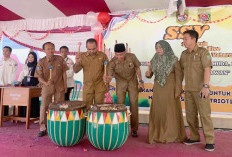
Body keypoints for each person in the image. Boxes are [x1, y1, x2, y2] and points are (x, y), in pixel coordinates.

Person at [146, 40, 187, 143]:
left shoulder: (174, 59)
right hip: (158, 89)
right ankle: (157, 135)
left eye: (160, 47)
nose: (158, 50)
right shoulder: (154, 59)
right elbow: (149, 75)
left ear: (166, 48)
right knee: (158, 111)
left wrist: (178, 90)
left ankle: (170, 135)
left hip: (170, 89)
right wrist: (148, 69)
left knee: (170, 111)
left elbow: (179, 76)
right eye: (156, 48)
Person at [180, 30, 215, 151]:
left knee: (205, 115)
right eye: (183, 39)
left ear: (193, 40)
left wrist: (206, 86)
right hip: (188, 90)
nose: (183, 41)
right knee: (190, 115)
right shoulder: (183, 54)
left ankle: (210, 141)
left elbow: (207, 69)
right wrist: (179, 86)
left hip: (201, 90)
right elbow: (180, 71)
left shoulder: (203, 52)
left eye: (185, 38)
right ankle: (194, 137)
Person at [107, 43, 144, 137]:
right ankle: (121, 127)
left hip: (132, 82)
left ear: (125, 52)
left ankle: (134, 129)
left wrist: (141, 81)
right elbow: (110, 75)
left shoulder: (132, 57)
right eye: (117, 55)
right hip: (120, 84)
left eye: (121, 54)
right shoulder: (112, 62)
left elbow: (138, 68)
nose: (119, 57)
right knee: (120, 106)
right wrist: (107, 79)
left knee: (134, 105)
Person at [35, 42, 68, 137]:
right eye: (48, 49)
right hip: (46, 87)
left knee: (60, 107)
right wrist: (45, 83)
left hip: (59, 86)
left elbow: (64, 74)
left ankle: (59, 126)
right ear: (44, 50)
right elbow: (39, 77)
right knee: (44, 106)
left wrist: (65, 86)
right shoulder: (41, 62)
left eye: (52, 48)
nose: (51, 50)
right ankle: (43, 127)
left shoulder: (60, 59)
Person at [73, 38, 108, 109]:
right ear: (86, 48)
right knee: (86, 109)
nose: (91, 51)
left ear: (97, 47)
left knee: (99, 108)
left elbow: (108, 70)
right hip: (88, 87)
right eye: (89, 49)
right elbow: (75, 71)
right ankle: (86, 120)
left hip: (100, 87)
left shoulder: (103, 56)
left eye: (94, 49)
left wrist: (107, 84)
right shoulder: (82, 56)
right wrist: (77, 63)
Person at [17, 51, 40, 118]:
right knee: (24, 99)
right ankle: (24, 115)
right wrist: (19, 82)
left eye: (32, 57)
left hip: (33, 83)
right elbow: (22, 74)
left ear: (35, 58)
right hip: (25, 84)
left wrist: (39, 83)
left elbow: (39, 75)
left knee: (33, 99)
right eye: (29, 57)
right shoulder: (25, 66)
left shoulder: (37, 66)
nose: (30, 58)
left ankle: (33, 116)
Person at [0, 46, 18, 116]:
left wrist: (9, 82)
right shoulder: (1, 61)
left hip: (8, 84)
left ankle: (5, 114)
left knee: (6, 100)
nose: (4, 52)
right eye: (3, 51)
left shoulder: (13, 62)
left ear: (10, 52)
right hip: (0, 84)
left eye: (6, 51)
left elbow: (14, 73)